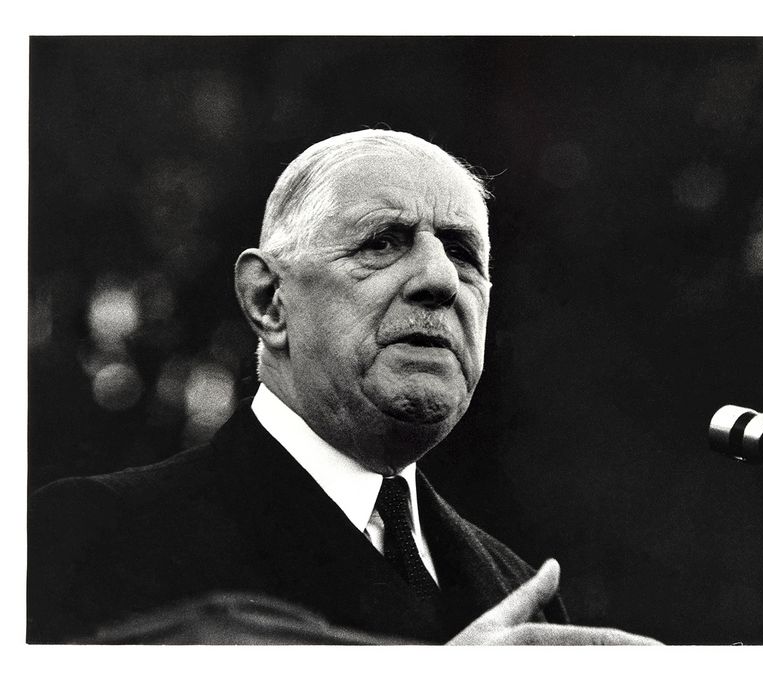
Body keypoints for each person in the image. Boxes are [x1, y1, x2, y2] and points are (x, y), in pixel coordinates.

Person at [27, 129, 659, 646]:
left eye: (465, 255)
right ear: (268, 301)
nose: (441, 280)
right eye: (383, 243)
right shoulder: (95, 535)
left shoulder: (522, 596)